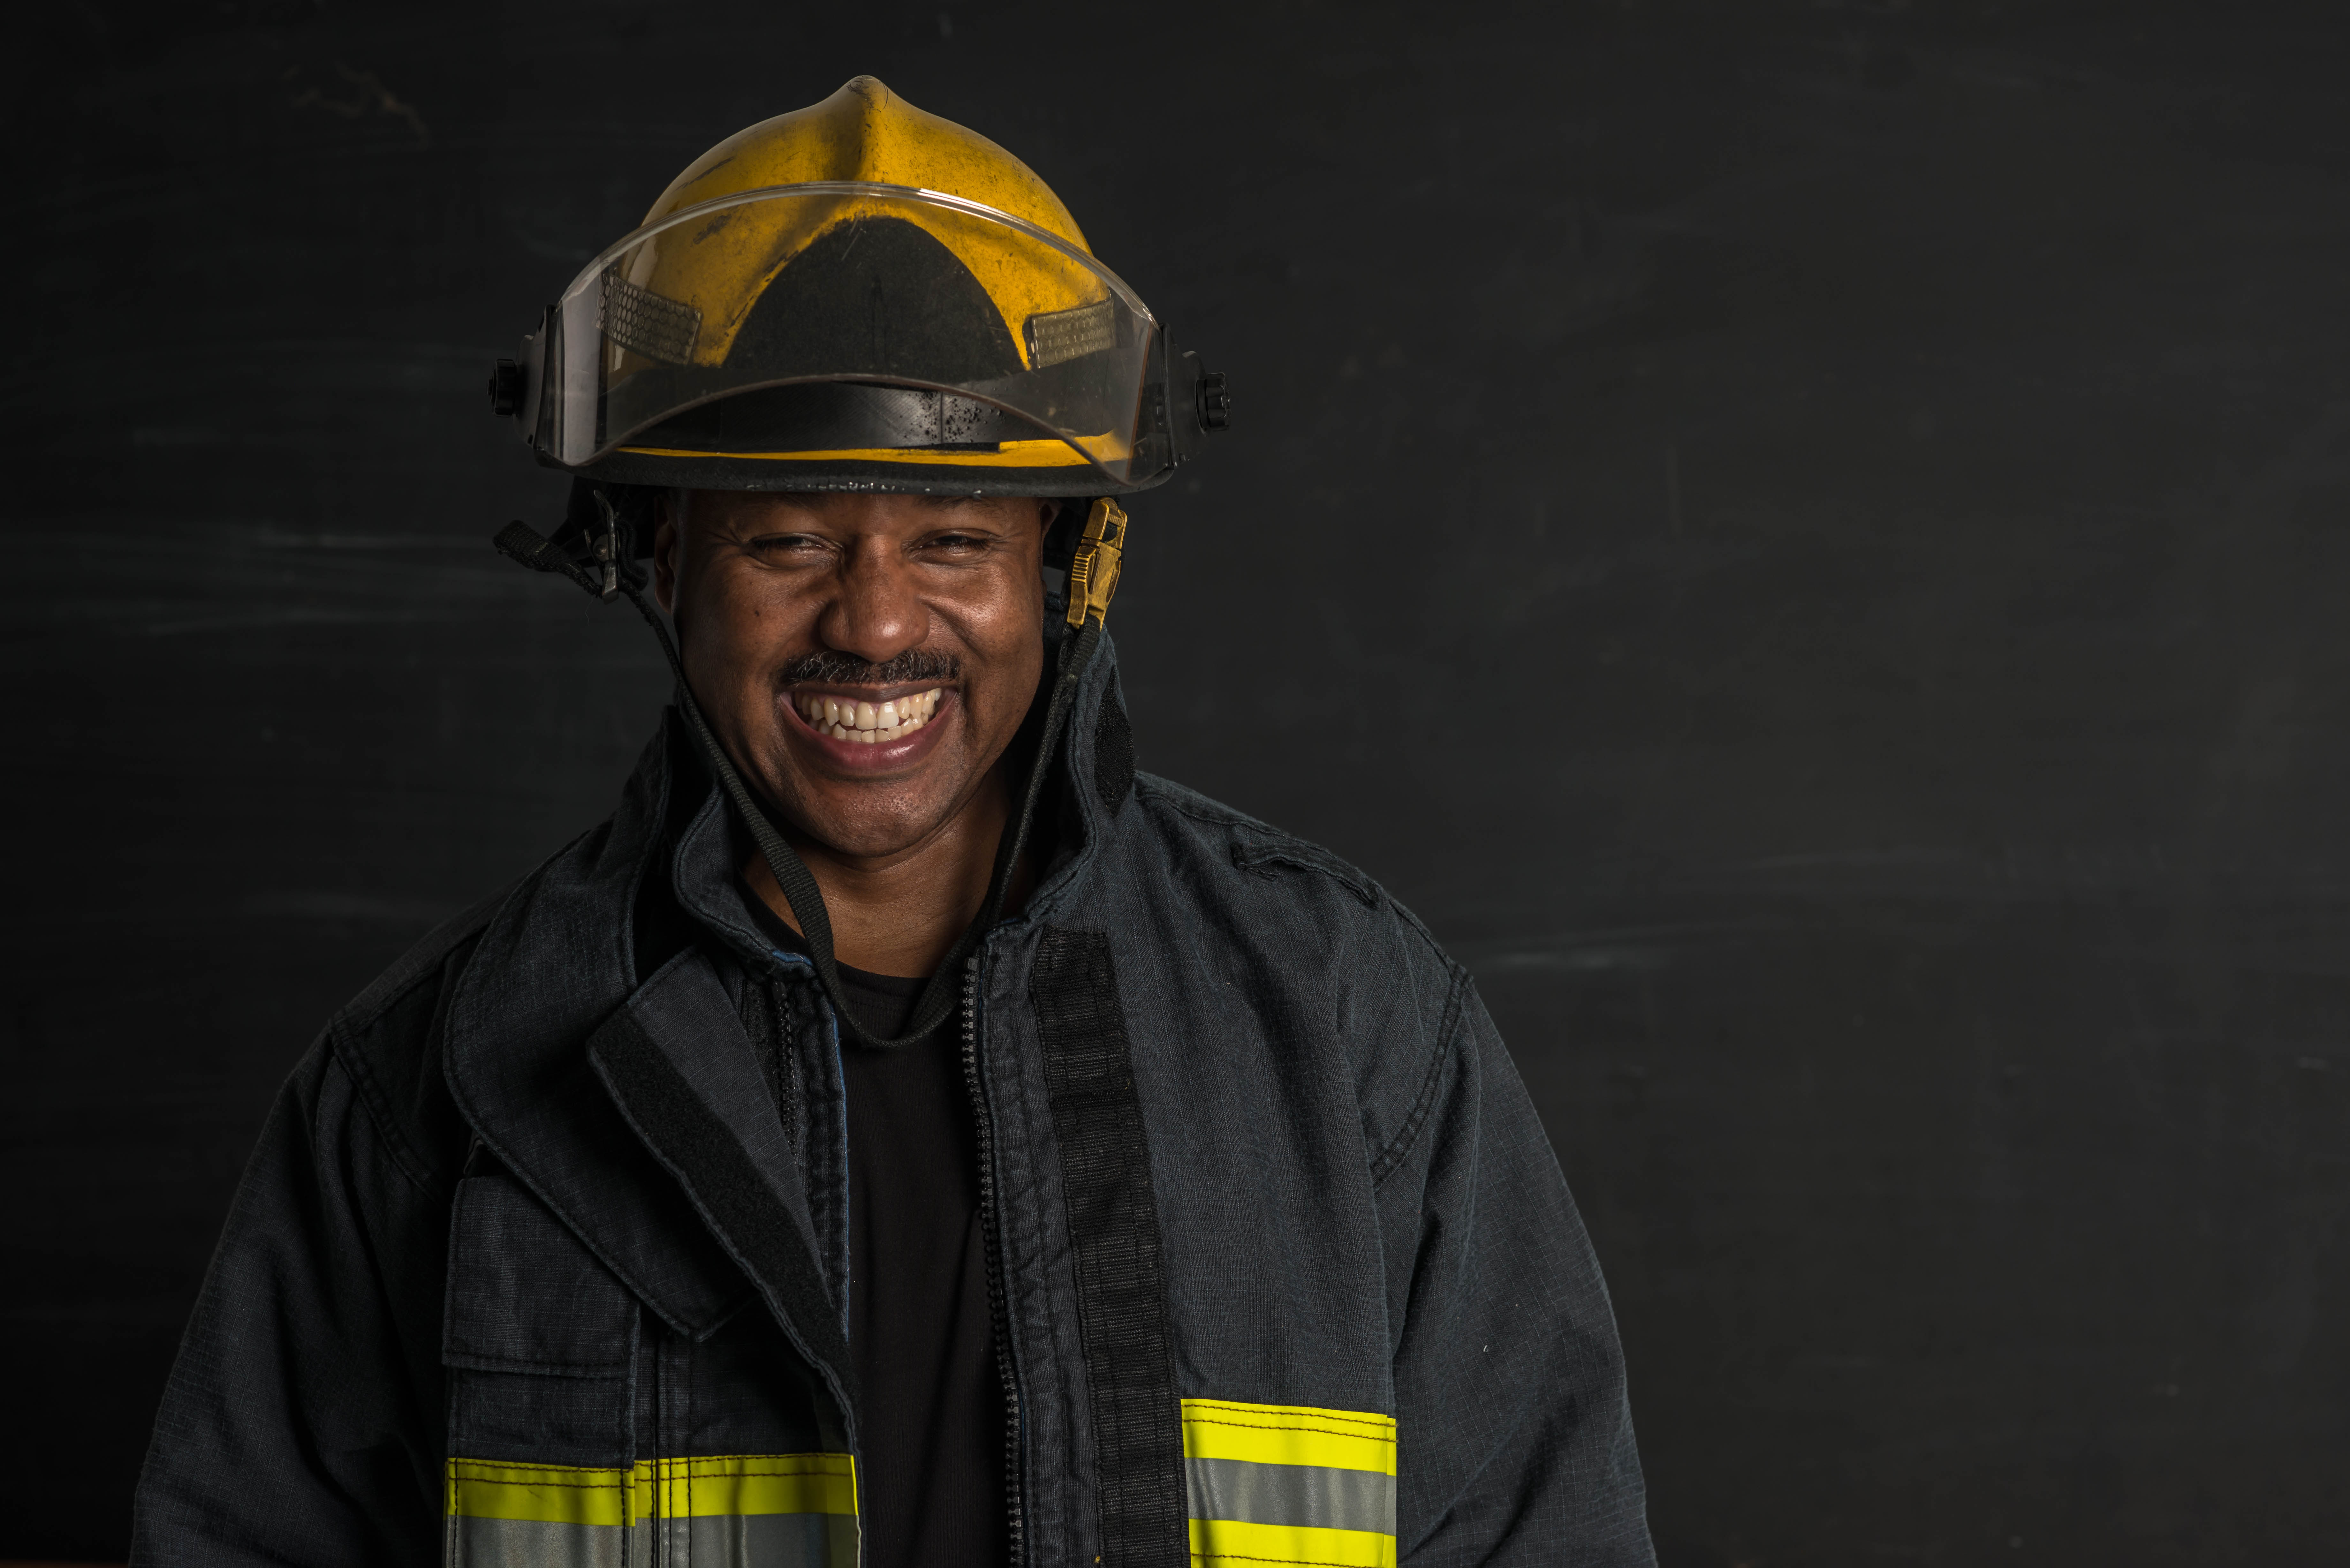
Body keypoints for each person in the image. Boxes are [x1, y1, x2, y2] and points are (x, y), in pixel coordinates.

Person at [131, 76, 1654, 1568]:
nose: (871, 622)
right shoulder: (438, 1085)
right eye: (786, 539)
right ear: (660, 562)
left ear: (1066, 569)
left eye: (952, 538)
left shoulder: (1345, 1029)